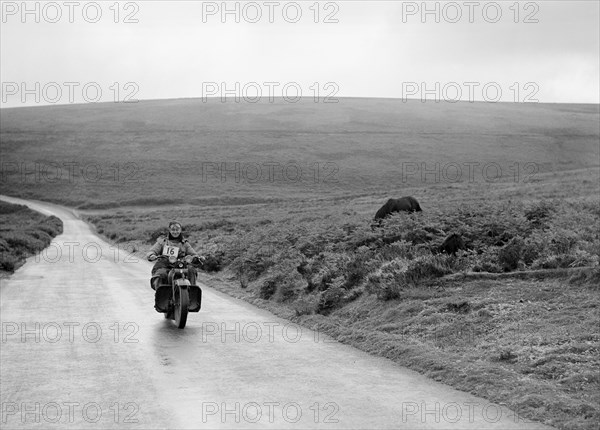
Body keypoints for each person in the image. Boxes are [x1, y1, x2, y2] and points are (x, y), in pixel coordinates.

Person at [146, 221, 201, 289]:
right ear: (169, 230)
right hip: (165, 264)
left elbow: (193, 254)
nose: (175, 232)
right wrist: (151, 255)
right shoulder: (162, 242)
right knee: (160, 274)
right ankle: (161, 293)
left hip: (181, 264)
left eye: (177, 230)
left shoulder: (185, 243)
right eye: (173, 230)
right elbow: (152, 250)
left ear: (180, 230)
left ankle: (192, 291)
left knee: (191, 270)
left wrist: (196, 258)